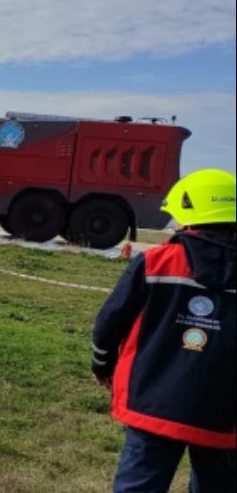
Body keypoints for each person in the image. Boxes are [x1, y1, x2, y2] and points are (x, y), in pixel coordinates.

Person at [92, 168, 235, 493]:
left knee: (139, 485)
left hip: (152, 400)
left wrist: (101, 363)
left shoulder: (155, 262)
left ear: (187, 215)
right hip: (223, 410)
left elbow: (110, 322)